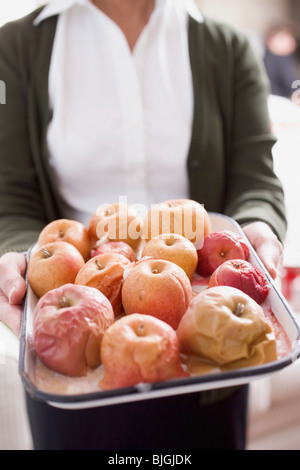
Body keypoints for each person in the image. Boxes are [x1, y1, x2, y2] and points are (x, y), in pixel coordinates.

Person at [0, 0, 286, 450]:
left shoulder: (227, 47)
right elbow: (9, 189)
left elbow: (256, 178)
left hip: (208, 339)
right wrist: (21, 254)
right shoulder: (16, 46)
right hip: (75, 341)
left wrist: (255, 226)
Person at [263, 22, 300, 99]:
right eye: (286, 38)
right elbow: (293, 86)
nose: (292, 42)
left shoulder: (263, 59)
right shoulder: (281, 59)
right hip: (281, 103)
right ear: (271, 39)